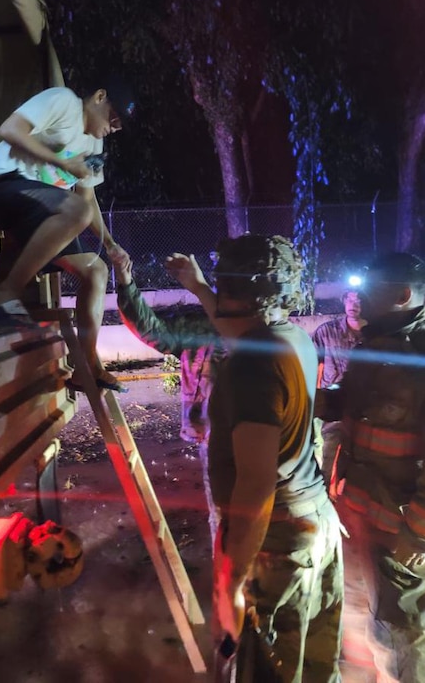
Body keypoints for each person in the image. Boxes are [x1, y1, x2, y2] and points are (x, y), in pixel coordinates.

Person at [165, 236, 343, 683]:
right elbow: (239, 331)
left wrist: (230, 583)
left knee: (267, 671)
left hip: (277, 541)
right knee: (315, 667)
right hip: (314, 524)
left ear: (233, 287)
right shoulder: (291, 339)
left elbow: (256, 485)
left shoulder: (249, 367)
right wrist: (198, 286)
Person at [0, 76, 133, 391]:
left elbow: (87, 200)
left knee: (96, 271)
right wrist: (62, 162)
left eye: (121, 124)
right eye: (115, 117)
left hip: (39, 211)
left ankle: (88, 367)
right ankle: (4, 295)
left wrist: (112, 245)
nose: (116, 127)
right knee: (75, 211)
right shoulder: (64, 102)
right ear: (100, 96)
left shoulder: (95, 147)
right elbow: (9, 129)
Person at [334, 253, 425, 683]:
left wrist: (417, 535)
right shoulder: (376, 346)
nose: (357, 299)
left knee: (400, 633)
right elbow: (352, 405)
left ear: (403, 295)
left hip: (401, 531)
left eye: (369, 290)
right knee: (369, 620)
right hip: (364, 511)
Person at [113, 254, 221, 543]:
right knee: (223, 516)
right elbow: (152, 331)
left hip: (262, 444)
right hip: (215, 440)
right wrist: (125, 282)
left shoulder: (268, 331)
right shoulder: (198, 326)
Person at [312, 288, 367, 485]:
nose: (354, 305)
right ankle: (324, 493)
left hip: (364, 407)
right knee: (327, 453)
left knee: (358, 456)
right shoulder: (326, 331)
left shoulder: (375, 337)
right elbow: (313, 363)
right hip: (333, 404)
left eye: (359, 300)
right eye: (350, 300)